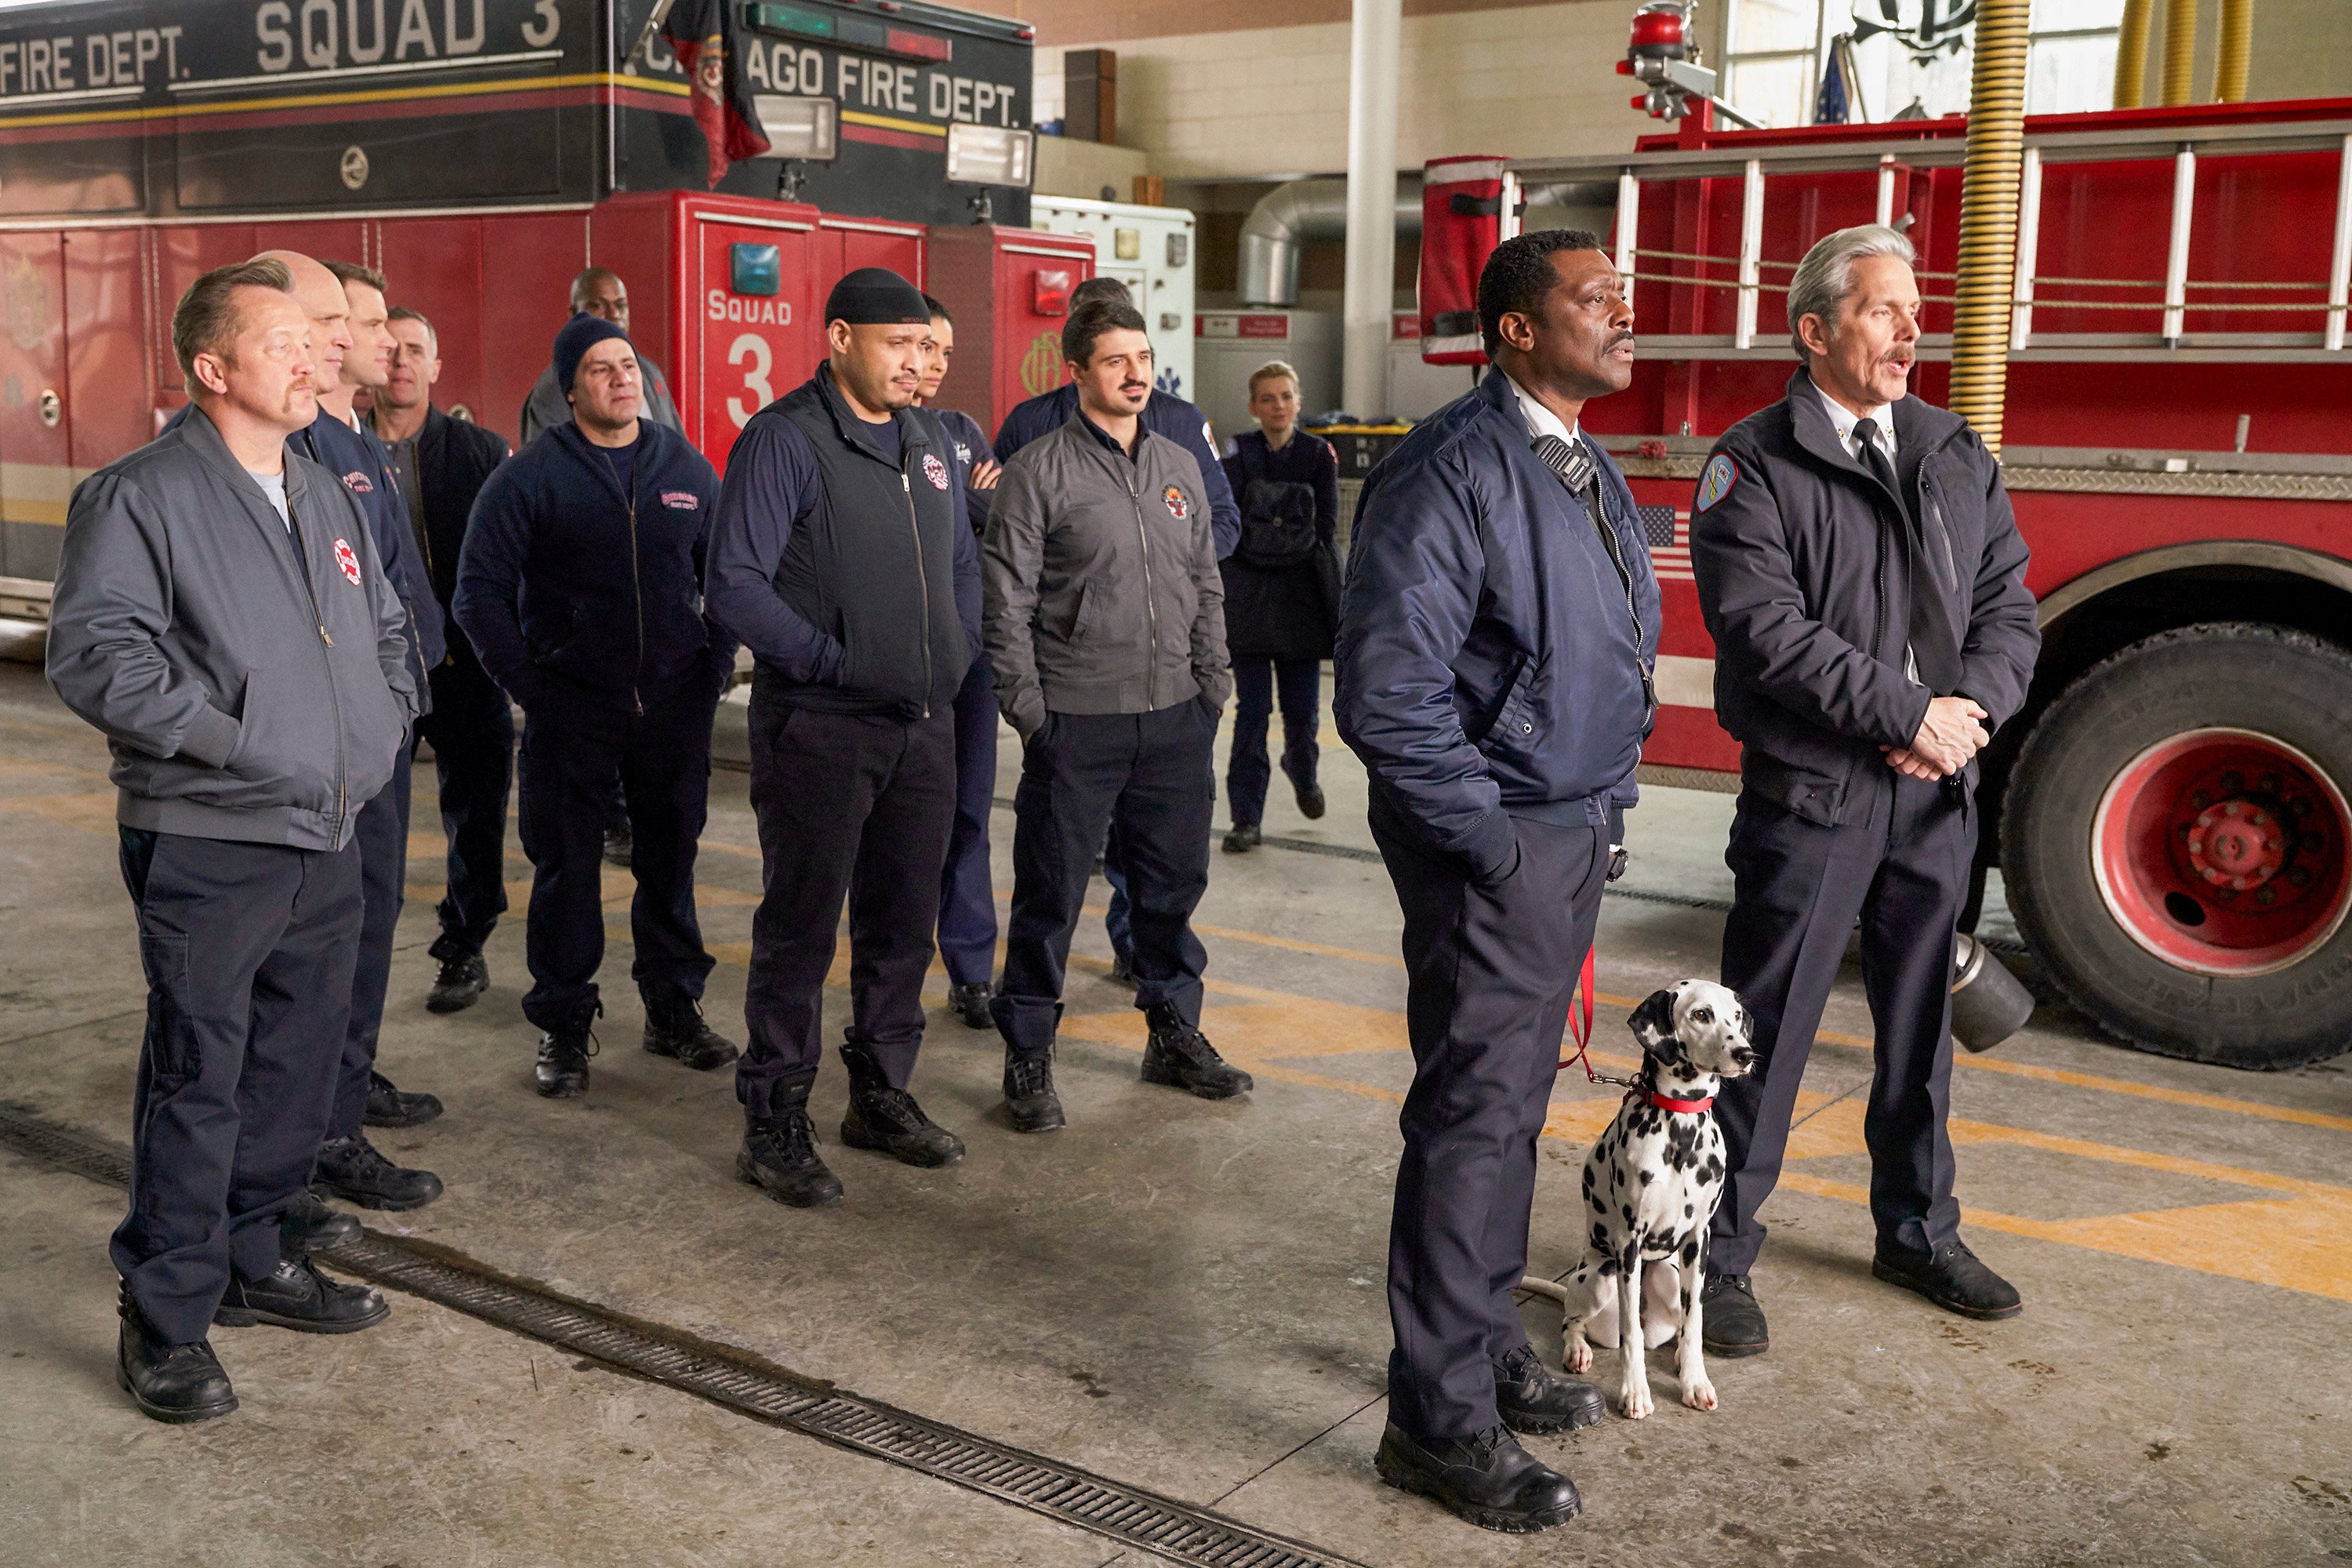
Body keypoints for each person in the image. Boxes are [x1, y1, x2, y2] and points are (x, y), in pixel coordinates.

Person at [49, 258, 414, 1423]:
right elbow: (98, 655)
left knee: (295, 1069)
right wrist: (238, 740)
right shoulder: (141, 495)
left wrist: (383, 717)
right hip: (214, 833)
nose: (313, 360)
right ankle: (164, 1315)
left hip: (328, 827)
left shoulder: (323, 486)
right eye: (283, 343)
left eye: (317, 343)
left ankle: (255, 1257)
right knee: (200, 1077)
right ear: (212, 368)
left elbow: (388, 623)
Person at [1336, 230, 1659, 1531]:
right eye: (1596, 300)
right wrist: (1496, 839)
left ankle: (1478, 1344)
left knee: (1514, 1110)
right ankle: (1435, 1421)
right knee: (1471, 1121)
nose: (1624, 315)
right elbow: (1389, 695)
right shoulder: (1452, 470)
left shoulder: (1574, 461)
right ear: (1518, 328)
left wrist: (1601, 811)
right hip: (1502, 845)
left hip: (1567, 829)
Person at [1686, 224, 2039, 1356]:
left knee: (1920, 1027)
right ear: (1817, 332)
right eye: (1884, 310)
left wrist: (1964, 714)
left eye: (1913, 308)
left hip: (1936, 793)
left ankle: (1919, 1232)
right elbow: (1764, 631)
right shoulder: (1757, 461)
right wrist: (1905, 715)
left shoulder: (1951, 451)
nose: (1910, 328)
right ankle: (1715, 1250)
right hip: (1816, 797)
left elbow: (2008, 610)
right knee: (1765, 1031)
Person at [706, 267, 980, 1208]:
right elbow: (734, 582)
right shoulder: (785, 439)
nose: (917, 362)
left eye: (924, 345)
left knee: (904, 922)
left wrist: (957, 649)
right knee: (800, 927)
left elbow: (959, 565)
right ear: (838, 340)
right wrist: (829, 662)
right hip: (822, 725)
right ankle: (775, 1113)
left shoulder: (930, 438)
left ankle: (880, 1093)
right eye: (897, 343)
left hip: (923, 723)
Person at [454, 313, 739, 1099]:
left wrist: (711, 666)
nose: (622, 379)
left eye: (629, 366)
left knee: (670, 862)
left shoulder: (683, 464)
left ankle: (673, 1009)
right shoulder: (531, 476)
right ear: (570, 388)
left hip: (675, 706)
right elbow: (477, 592)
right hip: (572, 708)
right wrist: (533, 686)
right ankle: (564, 1024)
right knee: (568, 870)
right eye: (601, 369)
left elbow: (728, 576)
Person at [982, 299, 1245, 1135]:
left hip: (1176, 717)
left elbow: (1205, 582)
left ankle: (1172, 1033)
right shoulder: (1038, 469)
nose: (1135, 373)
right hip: (1078, 720)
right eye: (1114, 360)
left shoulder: (1177, 464)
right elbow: (1006, 604)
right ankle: (1028, 1053)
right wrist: (1033, 713)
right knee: (1052, 893)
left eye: (1142, 357)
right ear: (1077, 373)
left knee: (1170, 891)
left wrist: (1212, 684)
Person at [370, 304, 514, 1015]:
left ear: (435, 367)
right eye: (388, 348)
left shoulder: (483, 453)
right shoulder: (330, 451)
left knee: (477, 812)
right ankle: (359, 948)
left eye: (414, 351)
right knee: (376, 824)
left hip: (465, 666)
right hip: (377, 674)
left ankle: (465, 943)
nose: (400, 361)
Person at [916, 294, 1006, 1032]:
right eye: (924, 348)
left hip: (968, 656)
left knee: (969, 811)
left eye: (946, 352)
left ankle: (972, 970)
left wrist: (974, 509)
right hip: (893, 658)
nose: (935, 365)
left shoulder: (960, 432)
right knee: (894, 821)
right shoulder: (863, 433)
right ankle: (897, 959)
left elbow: (996, 517)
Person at [1217, 361, 1339, 854]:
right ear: (1252, 407)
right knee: (1250, 714)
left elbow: (1325, 526)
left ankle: (1302, 768)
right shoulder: (1238, 453)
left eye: (1285, 397)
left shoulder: (1318, 454)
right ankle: (1246, 819)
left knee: (1303, 712)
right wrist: (1288, 517)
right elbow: (1229, 518)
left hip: (1302, 599)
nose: (1277, 406)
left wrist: (1266, 520)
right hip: (1247, 598)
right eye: (1267, 399)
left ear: (1298, 401)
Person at [517, 267, 684, 446]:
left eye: (621, 305)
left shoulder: (649, 372)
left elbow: (679, 449)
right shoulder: (554, 387)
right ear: (574, 313)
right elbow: (545, 464)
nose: (614, 315)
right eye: (598, 306)